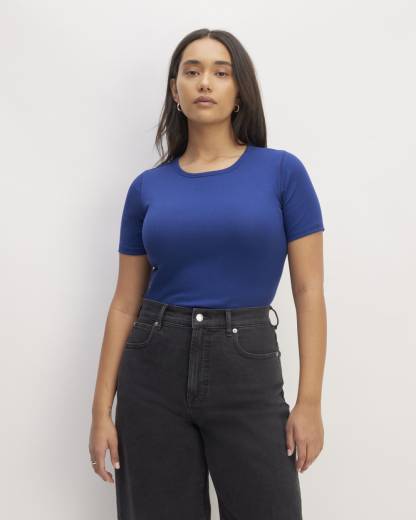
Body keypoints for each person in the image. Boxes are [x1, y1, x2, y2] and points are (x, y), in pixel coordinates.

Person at [89, 28, 326, 520]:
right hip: (153, 368)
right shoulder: (147, 188)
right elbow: (124, 304)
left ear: (240, 91)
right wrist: (99, 412)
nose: (204, 82)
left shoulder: (282, 173)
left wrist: (309, 402)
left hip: (247, 366)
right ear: (175, 90)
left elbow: (308, 291)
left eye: (221, 72)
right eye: (192, 71)